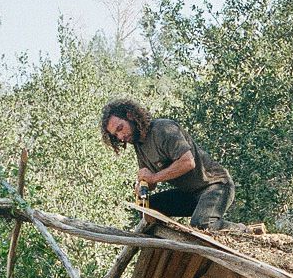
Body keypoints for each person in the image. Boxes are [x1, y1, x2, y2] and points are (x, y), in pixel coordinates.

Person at [99, 98, 232, 230]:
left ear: (130, 116)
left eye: (120, 128)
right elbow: (151, 183)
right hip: (190, 194)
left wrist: (153, 177)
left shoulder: (163, 129)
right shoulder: (139, 144)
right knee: (148, 210)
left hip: (216, 185)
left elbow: (188, 162)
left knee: (202, 225)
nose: (120, 136)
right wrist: (142, 185)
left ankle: (240, 231)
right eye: (116, 135)